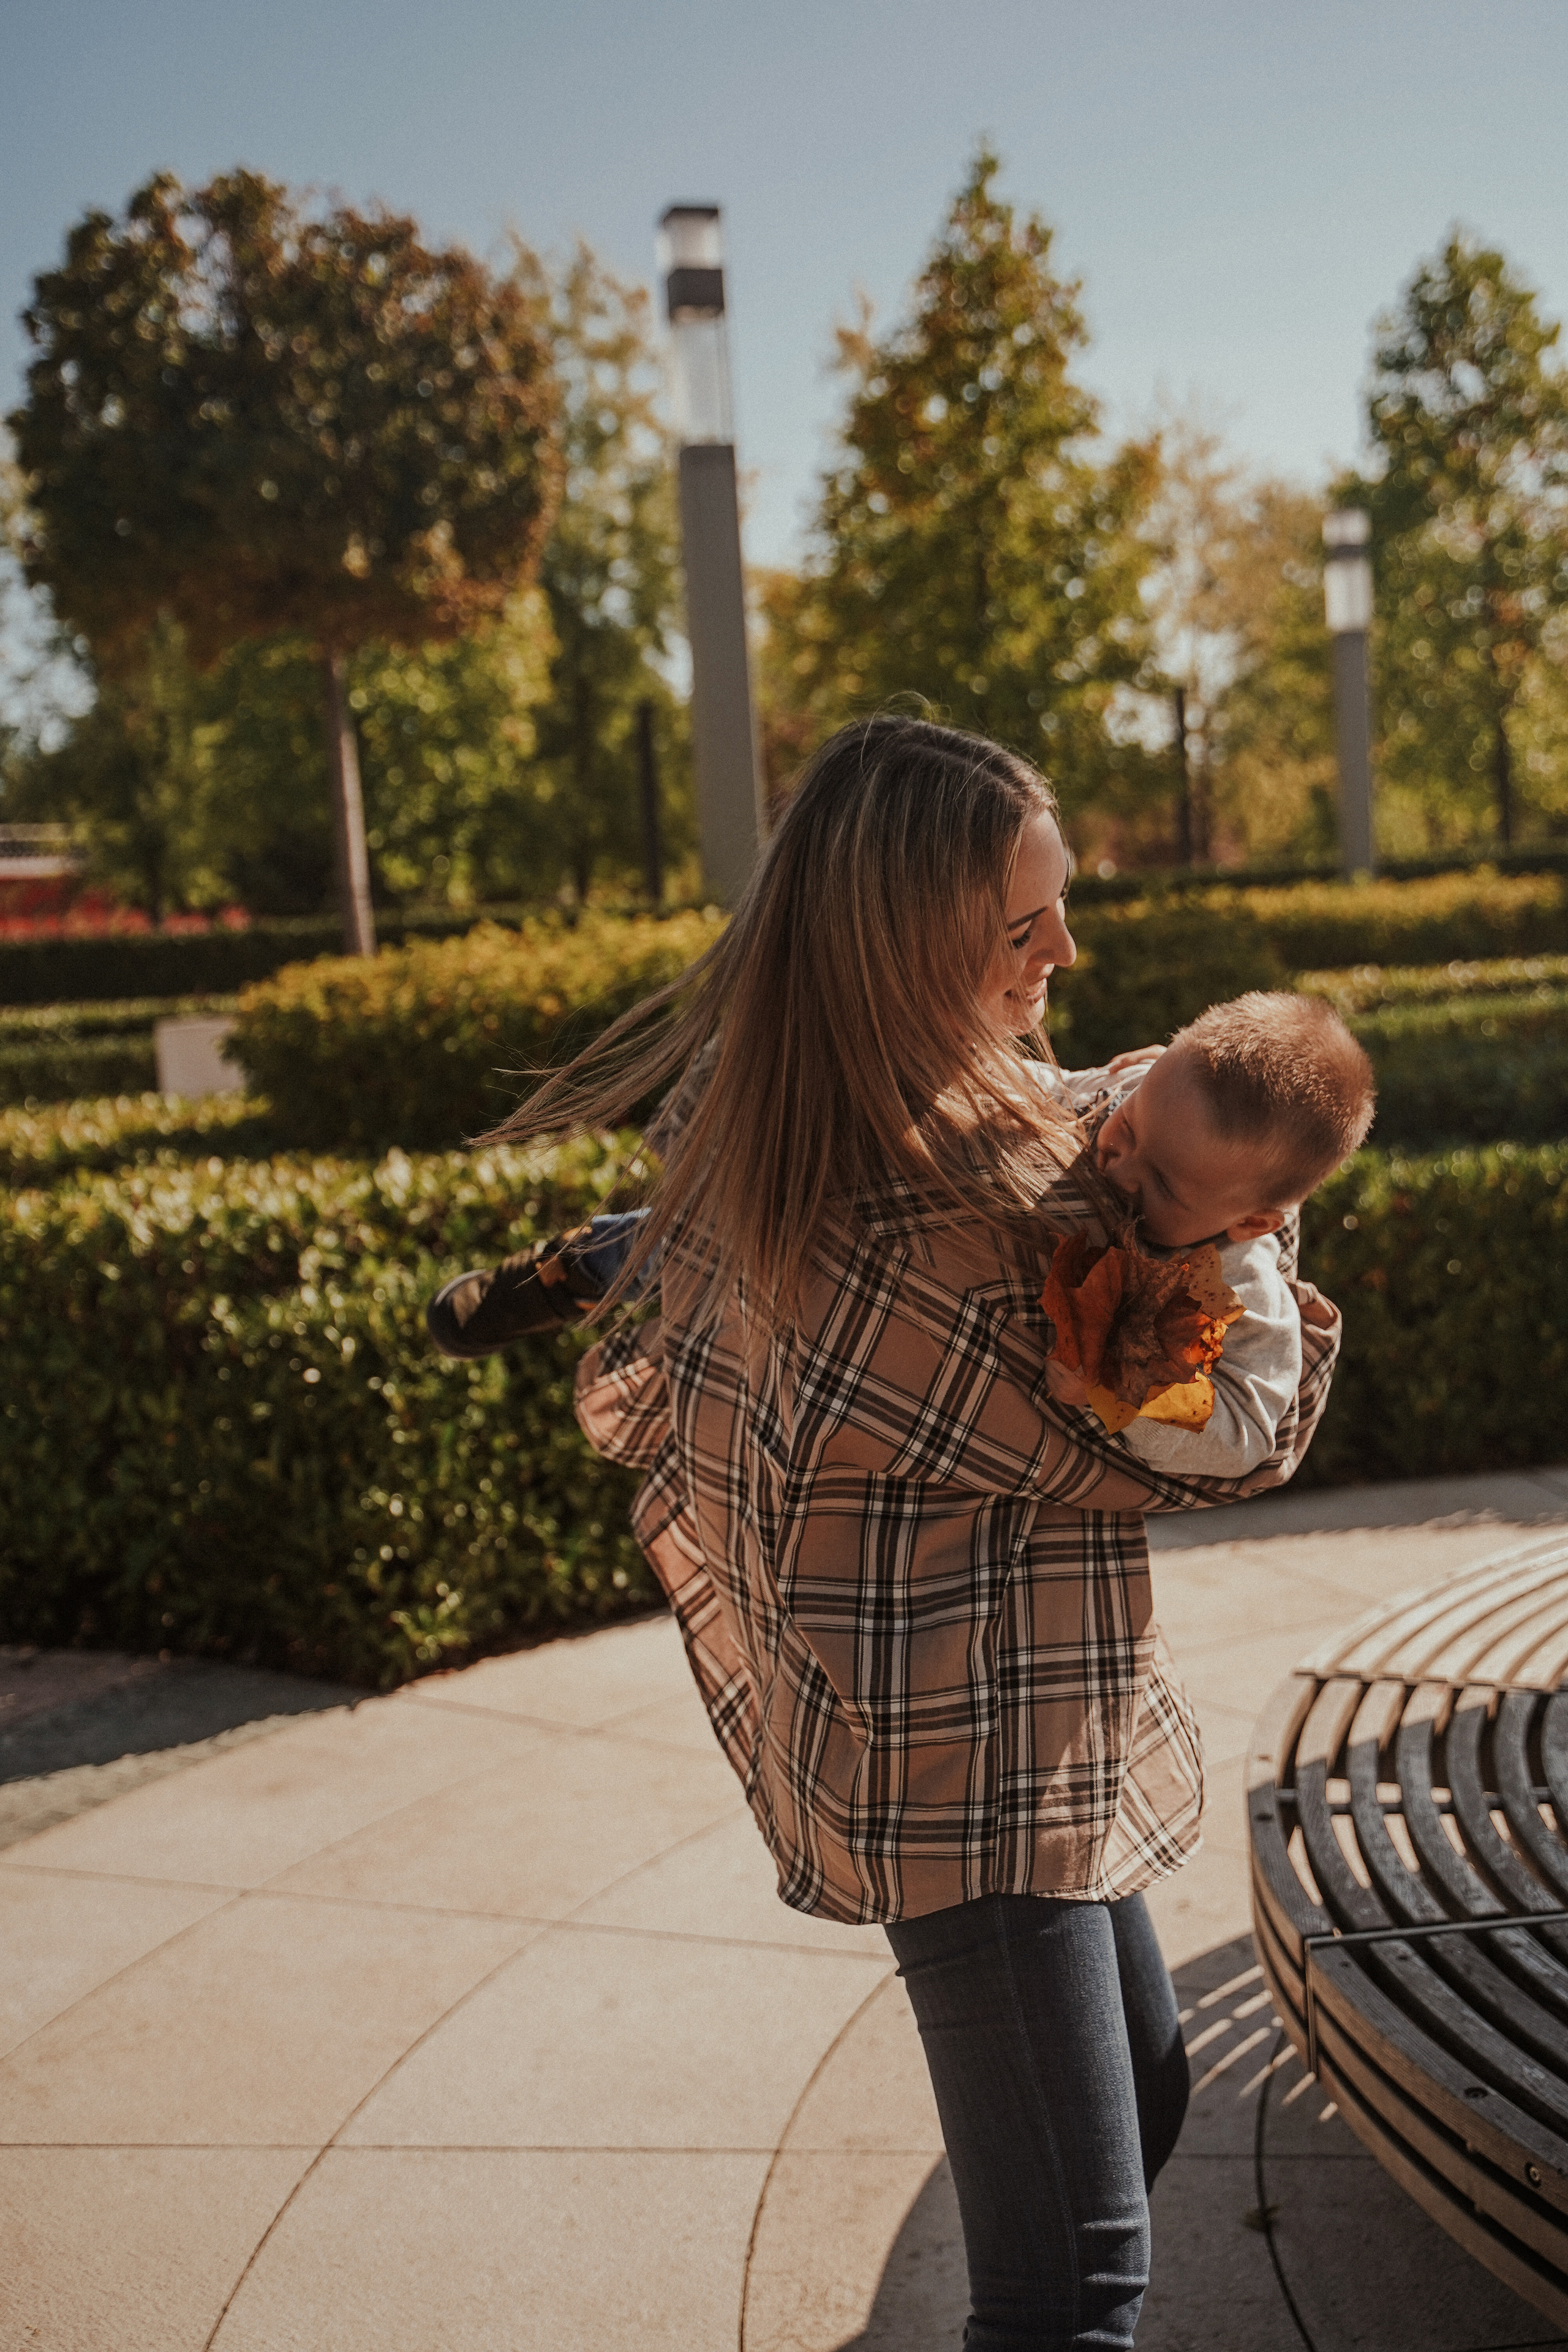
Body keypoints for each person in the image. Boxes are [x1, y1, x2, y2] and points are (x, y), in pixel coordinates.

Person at [477, 714, 1342, 2351]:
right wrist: (1245, 1238)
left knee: (1144, 2096)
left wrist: (1182, 1123)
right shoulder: (924, 1242)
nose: (1067, 953)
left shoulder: (838, 1102)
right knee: (1073, 2288)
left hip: (1011, 1719)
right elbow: (1204, 1457)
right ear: (911, 946)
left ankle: (596, 1253)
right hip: (965, 1767)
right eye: (1026, 930)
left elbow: (1067, 1108)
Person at [428, 992, 1373, 1487]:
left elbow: (1251, 1430)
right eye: (1127, 1128)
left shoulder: (1242, 1276)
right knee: (745, 1207)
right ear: (1143, 1064)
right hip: (885, 1209)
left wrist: (1117, 1387)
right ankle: (583, 1268)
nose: (1120, 1169)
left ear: (1256, 1220)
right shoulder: (1120, 1096)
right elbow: (1002, 1092)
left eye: (1163, 1185)